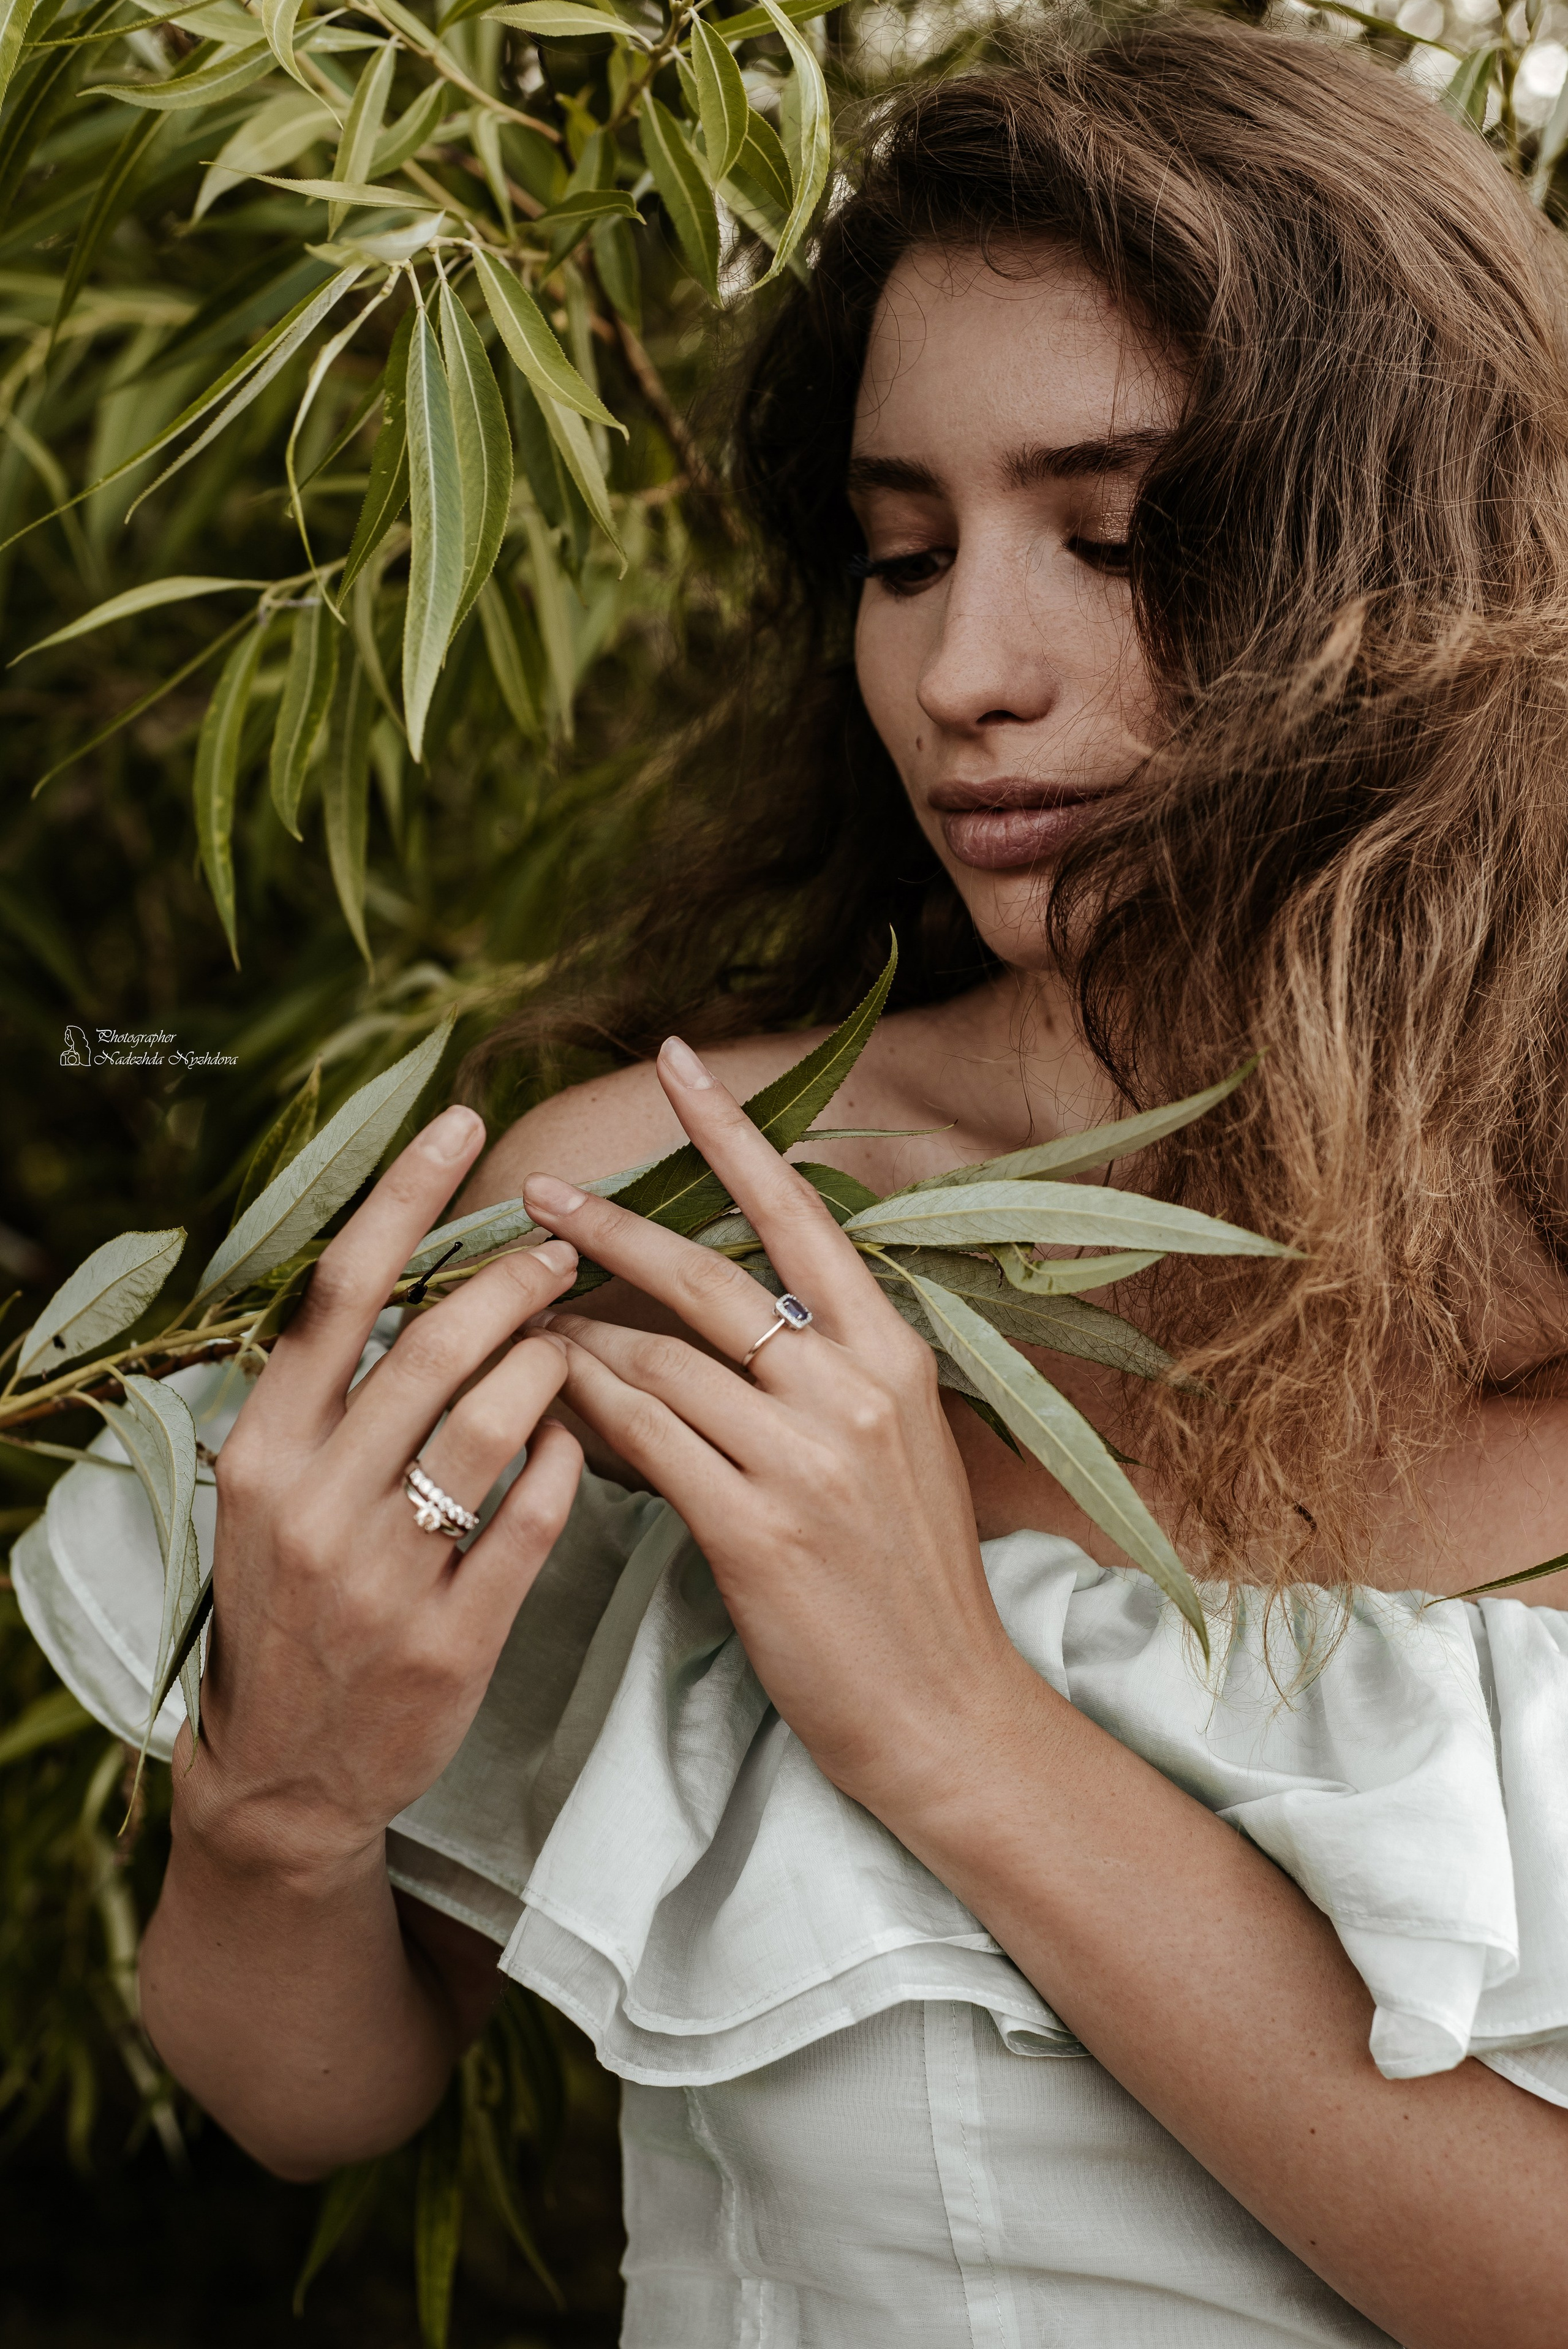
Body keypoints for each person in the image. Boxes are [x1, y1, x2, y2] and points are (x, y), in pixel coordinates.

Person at [22, 13, 1568, 2343]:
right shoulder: (683, 1212)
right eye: (901, 551)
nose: (963, 669)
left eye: (1113, 536)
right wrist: (276, 1804)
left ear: (1427, 577)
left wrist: (950, 1719)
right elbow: (308, 2087)